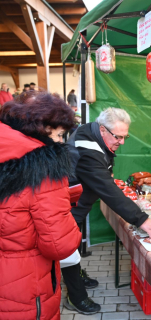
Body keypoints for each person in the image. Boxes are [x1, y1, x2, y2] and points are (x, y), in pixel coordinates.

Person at [62, 107, 151, 315]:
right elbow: (107, 190)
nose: (122, 142)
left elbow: (105, 168)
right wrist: (141, 219)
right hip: (68, 206)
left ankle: (77, 275)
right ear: (103, 129)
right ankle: (75, 296)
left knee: (76, 241)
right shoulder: (87, 150)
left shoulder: (93, 132)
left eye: (125, 136)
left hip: (78, 200)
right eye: (118, 137)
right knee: (68, 248)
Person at [0, 91, 82, 320]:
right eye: (59, 134)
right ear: (43, 127)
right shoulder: (45, 167)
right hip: (26, 284)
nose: (60, 141)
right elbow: (60, 245)